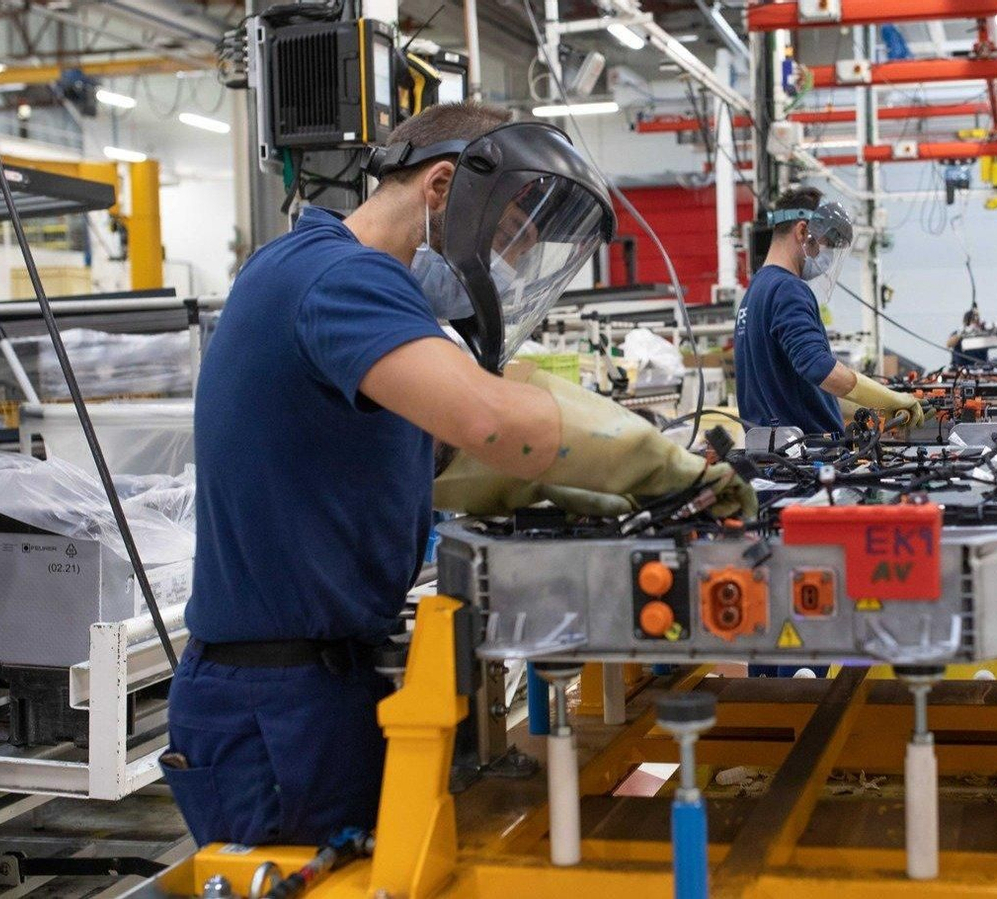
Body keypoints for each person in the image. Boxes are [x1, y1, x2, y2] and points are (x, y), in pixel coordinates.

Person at [169, 103, 753, 848]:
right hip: (276, 705)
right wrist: (655, 466)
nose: (502, 266)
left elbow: (450, 458)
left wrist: (587, 482)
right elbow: (491, 423)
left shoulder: (324, 282)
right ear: (442, 187)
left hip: (311, 685)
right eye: (505, 240)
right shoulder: (340, 278)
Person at [735, 186, 925, 434]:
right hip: (804, 456)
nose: (824, 257)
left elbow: (806, 388)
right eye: (824, 244)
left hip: (772, 454)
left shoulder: (756, 290)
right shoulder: (787, 289)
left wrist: (876, 406)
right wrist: (891, 399)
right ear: (803, 231)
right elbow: (818, 366)